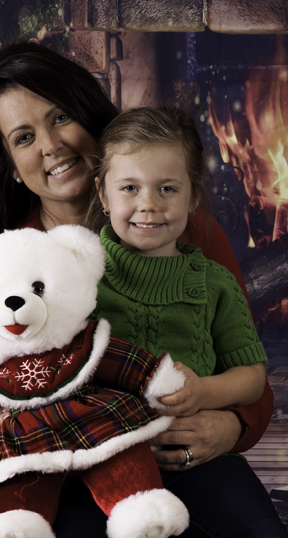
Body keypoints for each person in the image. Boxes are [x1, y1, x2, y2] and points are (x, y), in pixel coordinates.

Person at [0, 42, 288, 537]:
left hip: (181, 459)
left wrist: (230, 427)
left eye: (60, 116)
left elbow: (249, 377)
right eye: (24, 137)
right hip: (68, 470)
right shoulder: (1, 259)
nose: (50, 145)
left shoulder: (188, 235)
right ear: (8, 163)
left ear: (90, 117)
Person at [91, 106, 267, 422]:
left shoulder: (215, 284)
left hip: (193, 449)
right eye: (130, 188)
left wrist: (204, 392)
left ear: (193, 197)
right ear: (103, 195)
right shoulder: (80, 278)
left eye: (167, 189)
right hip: (104, 447)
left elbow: (252, 378)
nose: (148, 205)